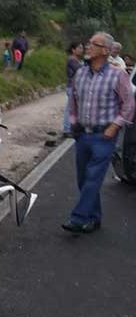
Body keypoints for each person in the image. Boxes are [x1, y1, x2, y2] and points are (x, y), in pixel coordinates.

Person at [62, 32, 135, 234]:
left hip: (104, 137)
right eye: (88, 43)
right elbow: (74, 102)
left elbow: (129, 105)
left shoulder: (117, 75)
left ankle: (78, 218)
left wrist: (115, 126)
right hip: (82, 136)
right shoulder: (80, 74)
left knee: (93, 178)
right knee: (83, 180)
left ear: (105, 50)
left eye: (93, 44)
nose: (87, 46)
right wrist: (74, 124)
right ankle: (94, 218)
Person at [63, 41, 84, 136]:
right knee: (70, 109)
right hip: (72, 87)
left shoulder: (78, 60)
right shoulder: (72, 59)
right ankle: (67, 129)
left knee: (74, 109)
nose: (81, 50)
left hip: (76, 87)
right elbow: (81, 70)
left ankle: (71, 128)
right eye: (79, 48)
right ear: (73, 50)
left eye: (82, 48)